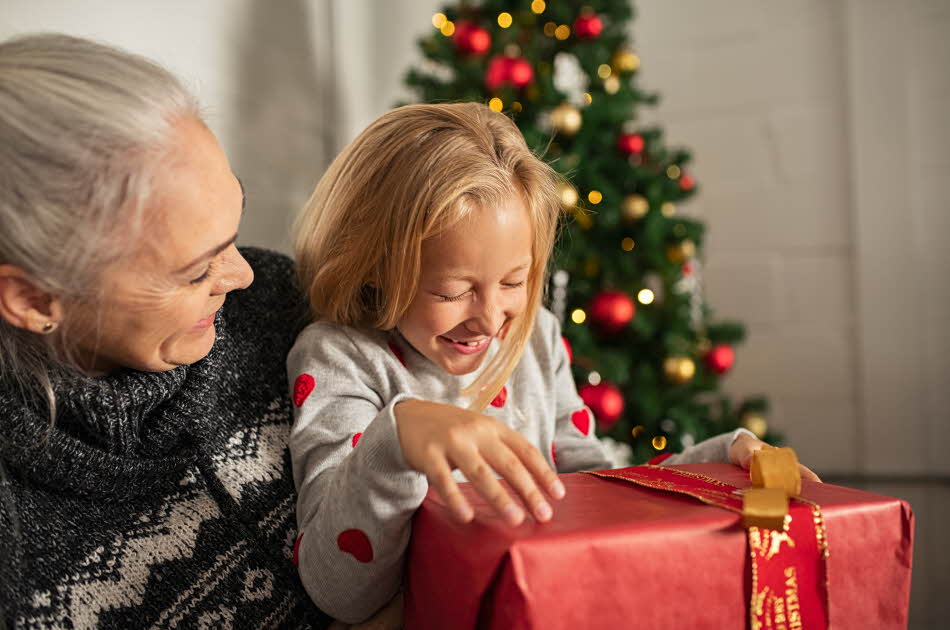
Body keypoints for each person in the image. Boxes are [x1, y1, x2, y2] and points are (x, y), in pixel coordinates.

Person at [287, 102, 818, 625]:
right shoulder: (340, 358)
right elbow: (338, 590)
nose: (491, 319)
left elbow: (595, 490)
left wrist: (715, 464)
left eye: (514, 282)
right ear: (372, 265)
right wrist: (396, 439)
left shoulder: (534, 334)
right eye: (452, 291)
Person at [0, 34, 333, 629]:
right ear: (32, 298)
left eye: (235, 224)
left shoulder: (283, 309)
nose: (245, 273)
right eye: (197, 269)